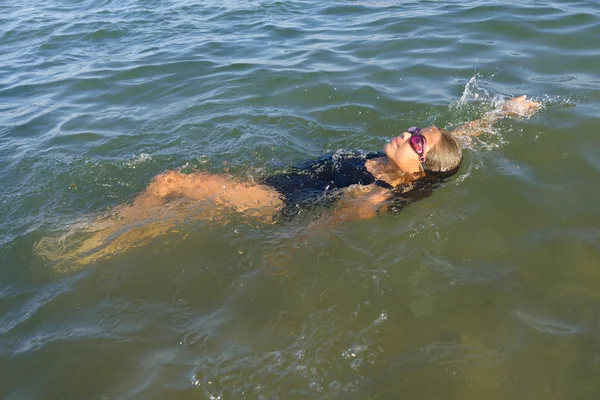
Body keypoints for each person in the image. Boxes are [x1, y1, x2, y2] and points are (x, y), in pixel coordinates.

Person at [37, 95, 541, 272]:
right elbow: (459, 139)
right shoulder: (406, 164)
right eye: (414, 129)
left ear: (419, 169)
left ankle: (102, 230)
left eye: (416, 141)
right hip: (278, 183)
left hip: (277, 201)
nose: (408, 134)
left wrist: (288, 250)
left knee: (171, 184)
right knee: (183, 213)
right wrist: (504, 111)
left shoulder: (377, 193)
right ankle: (96, 246)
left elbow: (335, 222)